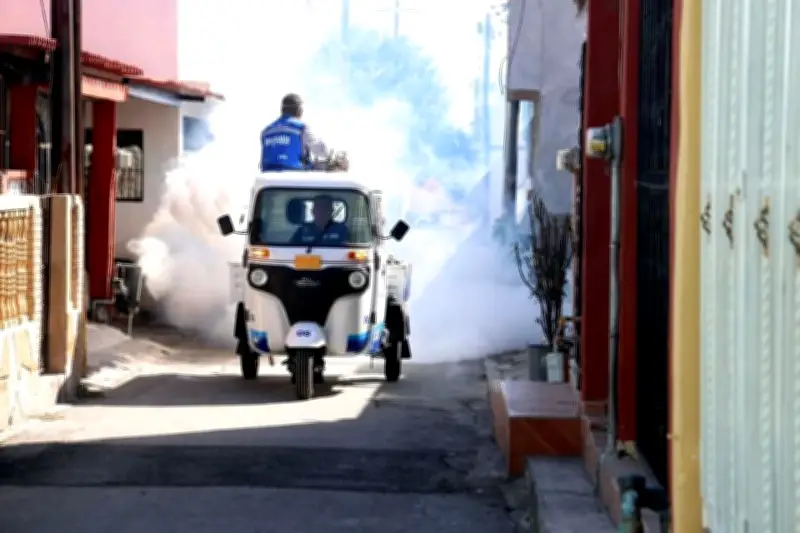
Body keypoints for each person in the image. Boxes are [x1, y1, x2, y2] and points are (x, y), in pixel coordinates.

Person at [259, 93, 333, 172]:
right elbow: (322, 151)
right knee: (329, 166)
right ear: (299, 110)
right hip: (295, 174)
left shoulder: (266, 131)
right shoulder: (301, 127)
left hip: (267, 174)